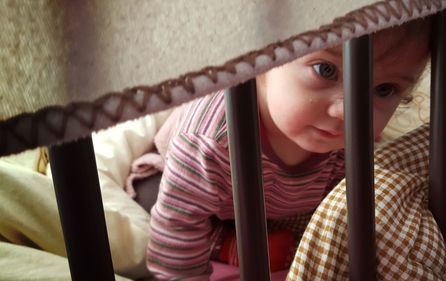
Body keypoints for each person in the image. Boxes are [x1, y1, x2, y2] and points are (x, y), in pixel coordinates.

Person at [146, 17, 431, 280]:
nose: (348, 111)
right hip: (174, 181)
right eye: (326, 70)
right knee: (155, 207)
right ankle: (223, 242)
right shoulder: (209, 140)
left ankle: (235, 240)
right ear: (262, 56)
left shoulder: (352, 140)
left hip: (271, 204)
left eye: (384, 89)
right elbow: (175, 227)